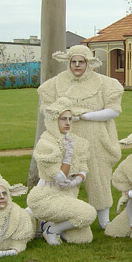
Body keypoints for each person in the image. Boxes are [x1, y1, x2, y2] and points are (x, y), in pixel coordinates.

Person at [37, 44, 123, 229]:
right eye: (73, 61)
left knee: (98, 177)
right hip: (65, 137)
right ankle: (50, 214)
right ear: (68, 62)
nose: (77, 65)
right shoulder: (55, 83)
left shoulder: (105, 83)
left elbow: (114, 111)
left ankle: (104, 220)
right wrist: (63, 116)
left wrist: (85, 116)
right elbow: (46, 109)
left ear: (88, 63)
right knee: (58, 175)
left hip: (96, 139)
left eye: (81, 62)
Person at [26, 96, 97, 245]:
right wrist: (68, 155)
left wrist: (75, 181)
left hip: (68, 194)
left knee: (83, 238)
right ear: (54, 120)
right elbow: (60, 177)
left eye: (70, 119)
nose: (67, 123)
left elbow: (84, 169)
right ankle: (51, 229)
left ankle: (48, 224)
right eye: (63, 119)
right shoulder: (46, 143)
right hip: (46, 195)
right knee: (88, 213)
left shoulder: (76, 141)